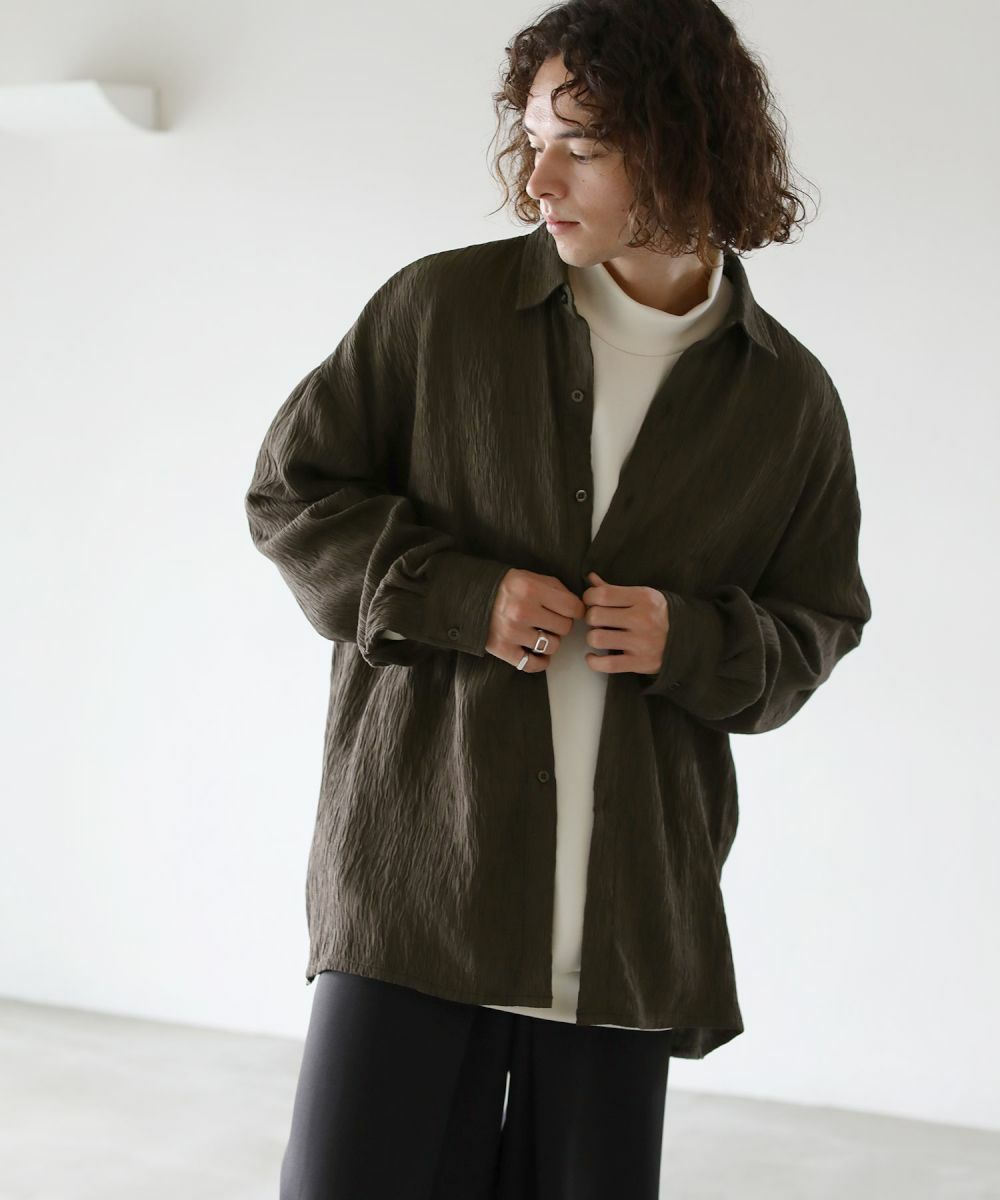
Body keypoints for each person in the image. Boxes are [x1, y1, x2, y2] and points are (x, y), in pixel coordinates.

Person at [244, 1, 872, 1196]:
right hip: (421, 878)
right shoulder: (440, 312)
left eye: (580, 147)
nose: (537, 180)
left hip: (629, 915)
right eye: (532, 140)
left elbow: (818, 621)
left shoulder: (785, 399)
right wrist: (459, 597)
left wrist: (692, 639)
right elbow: (292, 494)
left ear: (686, 146)